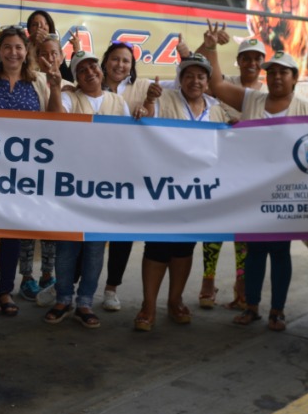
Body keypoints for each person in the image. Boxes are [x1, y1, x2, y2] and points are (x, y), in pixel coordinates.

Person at [203, 23, 308, 332]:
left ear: (295, 78)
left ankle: (277, 310)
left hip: (287, 194)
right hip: (252, 192)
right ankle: (251, 306)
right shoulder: (252, 100)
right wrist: (212, 46)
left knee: (280, 252)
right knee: (254, 251)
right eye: (274, 72)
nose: (278, 77)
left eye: (285, 72)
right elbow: (215, 84)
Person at [133, 53, 230, 331]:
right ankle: (148, 306)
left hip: (197, 194)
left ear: (208, 80)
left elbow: (232, 139)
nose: (195, 81)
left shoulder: (216, 109)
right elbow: (148, 115)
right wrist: (148, 103)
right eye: (189, 75)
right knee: (157, 248)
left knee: (184, 248)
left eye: (200, 76)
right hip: (164, 190)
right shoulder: (165, 98)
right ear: (180, 78)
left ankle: (175, 301)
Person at [42, 52, 129, 329]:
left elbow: (132, 140)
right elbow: (55, 119)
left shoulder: (118, 102)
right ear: (77, 78)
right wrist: (56, 88)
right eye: (82, 70)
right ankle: (64, 298)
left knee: (94, 249)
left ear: (100, 70)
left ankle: (85, 302)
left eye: (93, 66)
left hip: (104, 188)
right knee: (67, 245)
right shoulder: (69, 98)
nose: (89, 72)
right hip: (72, 185)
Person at [0, 26, 60, 317]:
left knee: (12, 231)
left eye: (19, 47)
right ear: (0, 51)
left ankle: (6, 289)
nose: (13, 52)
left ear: (27, 52)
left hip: (23, 170)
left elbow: (53, 120)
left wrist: (57, 85)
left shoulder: (38, 81)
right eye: (8, 47)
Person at [96, 42, 161, 312]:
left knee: (121, 233)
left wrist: (149, 103)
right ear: (105, 61)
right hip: (93, 171)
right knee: (86, 232)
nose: (120, 65)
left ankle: (111, 288)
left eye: (126, 61)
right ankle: (70, 284)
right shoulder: (89, 82)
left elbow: (152, 118)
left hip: (127, 172)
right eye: (115, 59)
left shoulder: (143, 86)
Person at [202, 37, 264, 309]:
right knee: (213, 226)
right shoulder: (226, 84)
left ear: (263, 63)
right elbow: (205, 70)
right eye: (246, 58)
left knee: (243, 229)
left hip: (251, 173)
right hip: (219, 166)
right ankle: (208, 280)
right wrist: (211, 46)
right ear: (238, 61)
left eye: (257, 58)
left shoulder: (267, 92)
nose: (252, 63)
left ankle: (241, 282)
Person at [20, 33, 69, 300]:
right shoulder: (31, 80)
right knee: (27, 225)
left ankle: (48, 274)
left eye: (54, 53)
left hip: (56, 164)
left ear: (62, 57)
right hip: (30, 161)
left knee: (50, 225)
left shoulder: (70, 86)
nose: (50, 58)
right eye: (44, 54)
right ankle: (26, 276)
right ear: (37, 58)